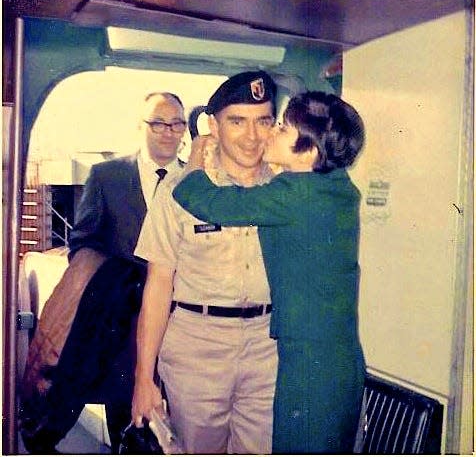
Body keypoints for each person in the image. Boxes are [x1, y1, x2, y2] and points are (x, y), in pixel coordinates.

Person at [173, 91, 367, 453]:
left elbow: (203, 199)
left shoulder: (295, 193)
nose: (269, 133)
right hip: (337, 357)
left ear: (308, 152)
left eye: (282, 128)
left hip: (310, 362)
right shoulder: (336, 187)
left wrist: (198, 149)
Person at [132, 71, 278, 454]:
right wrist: (143, 377)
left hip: (268, 346)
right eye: (237, 121)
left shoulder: (287, 188)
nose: (251, 136)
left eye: (262, 121)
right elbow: (158, 284)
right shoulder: (180, 188)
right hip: (197, 346)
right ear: (213, 126)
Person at [65, 91, 187, 452]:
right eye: (158, 123)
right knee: (129, 426)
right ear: (141, 126)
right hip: (123, 331)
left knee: (184, 426)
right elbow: (82, 243)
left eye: (177, 123)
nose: (168, 131)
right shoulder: (106, 176)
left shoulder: (198, 181)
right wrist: (116, 283)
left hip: (184, 327)